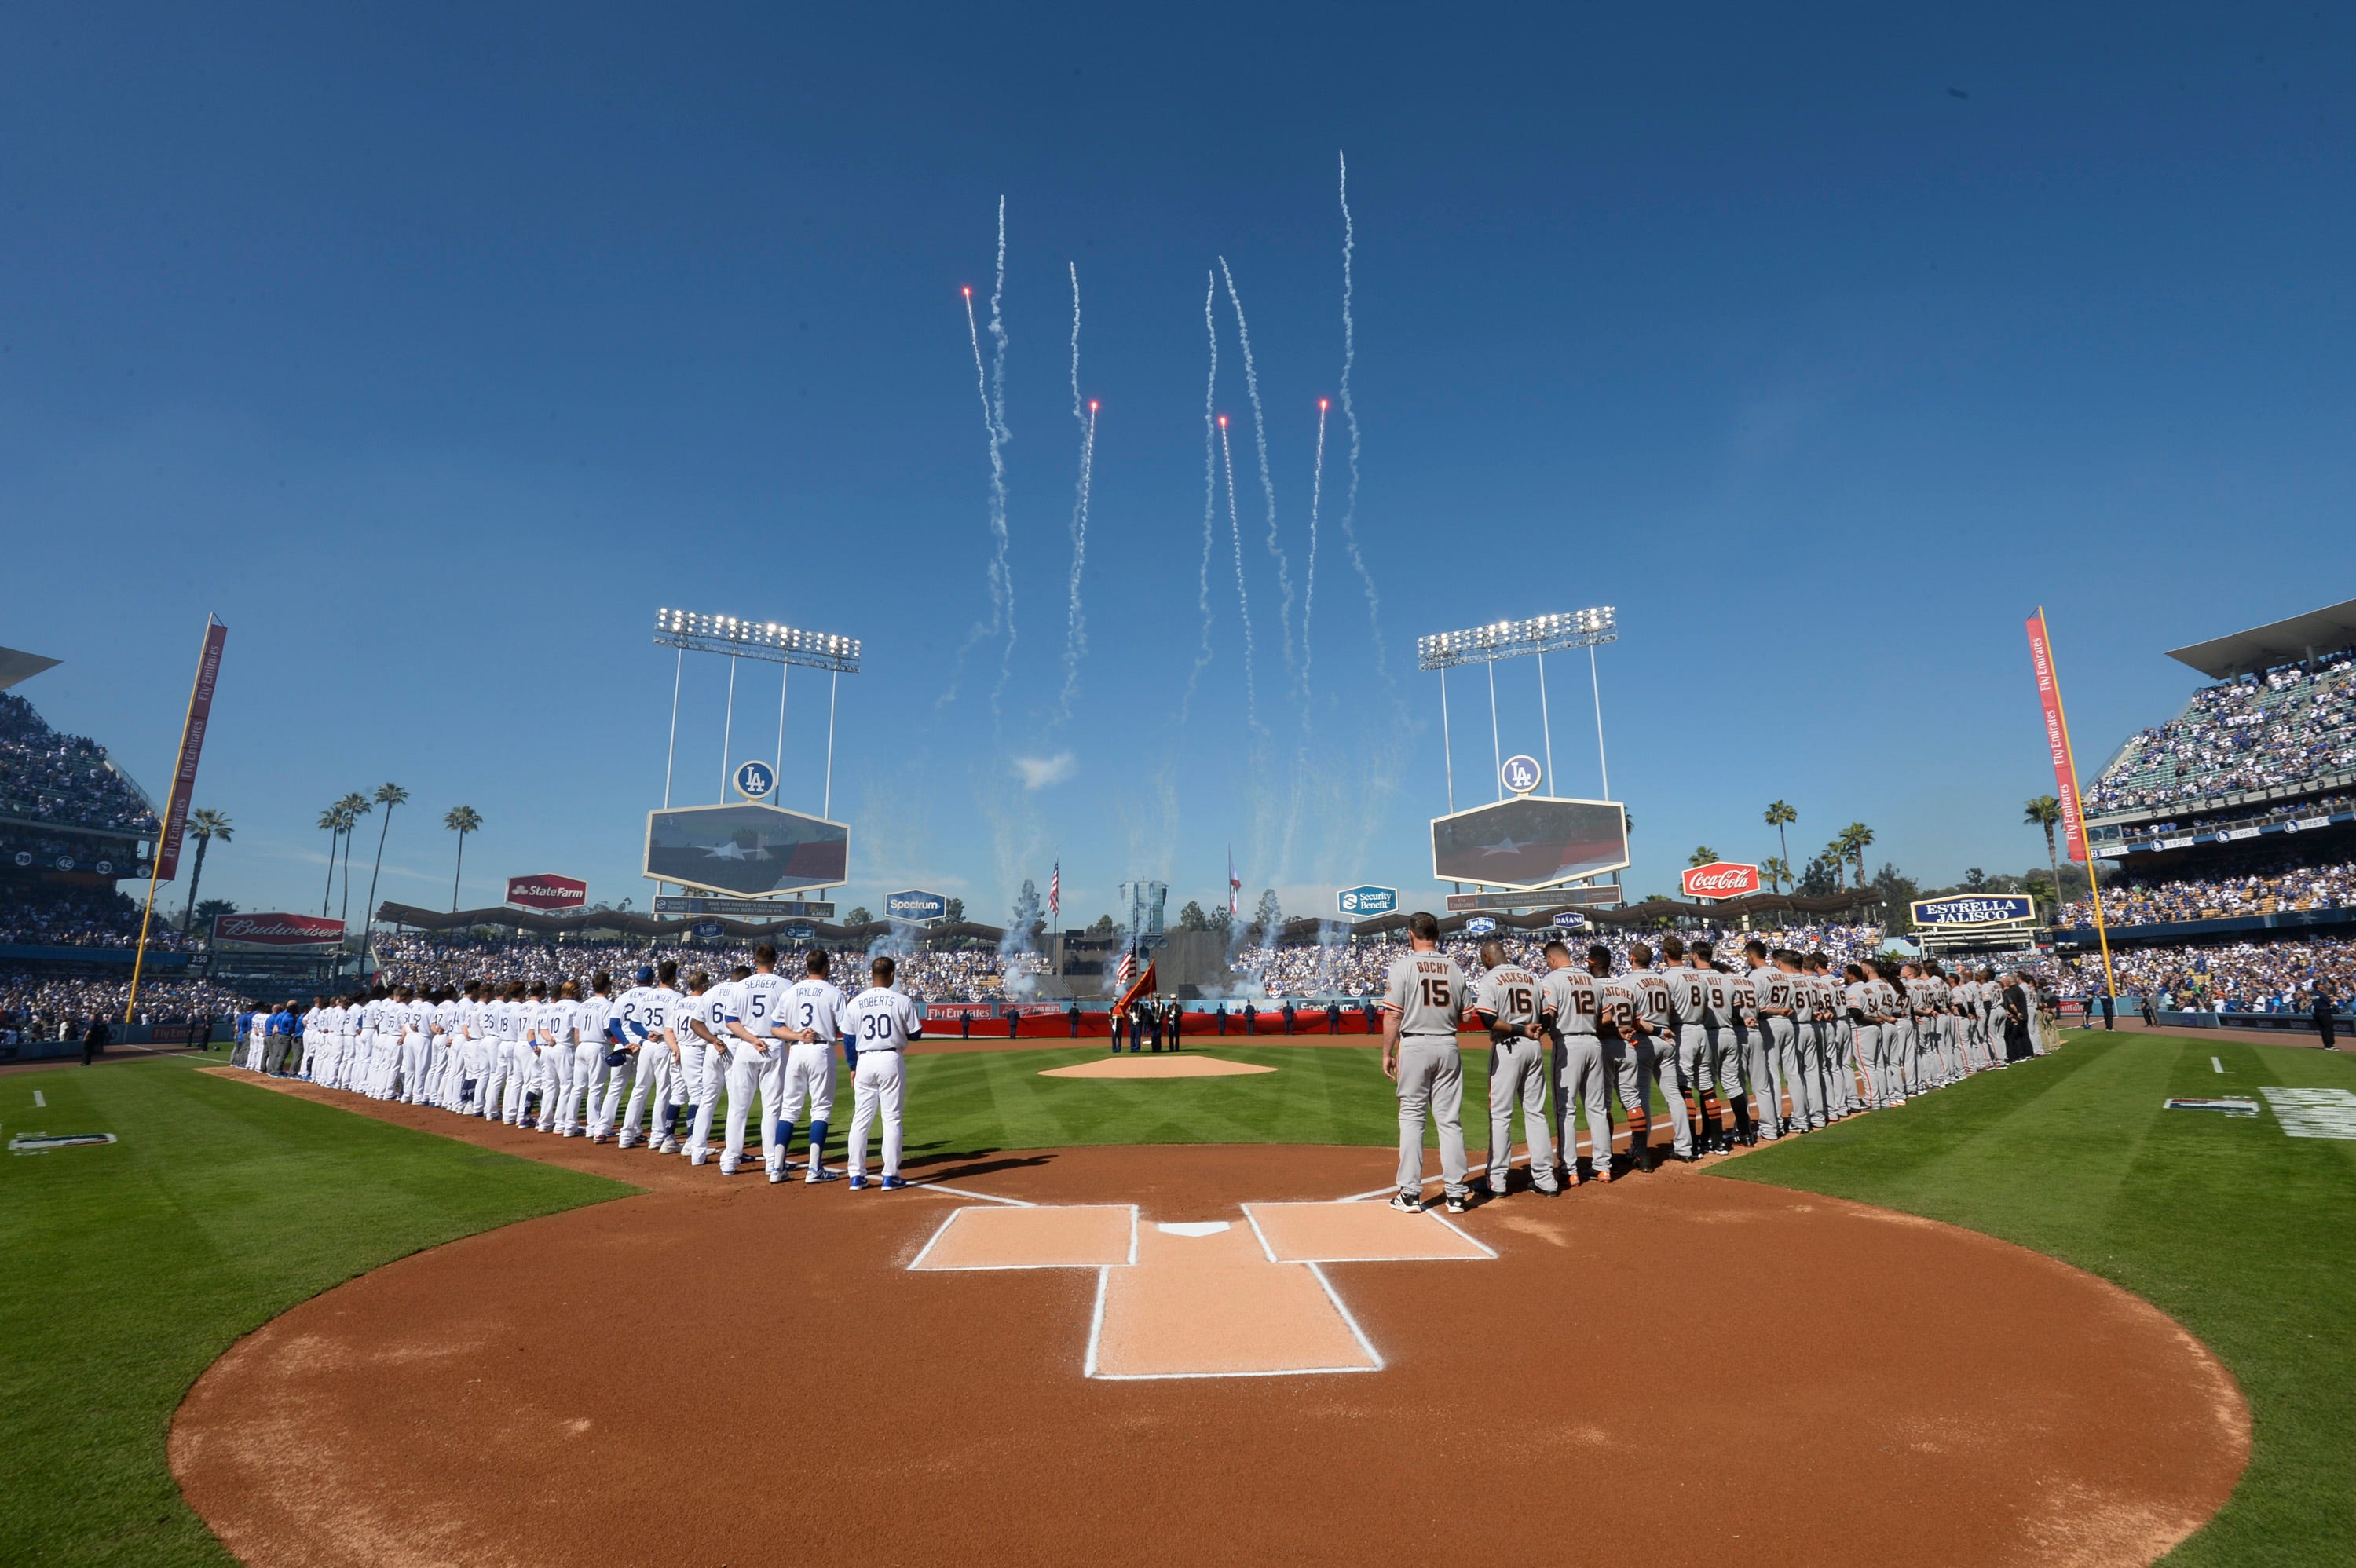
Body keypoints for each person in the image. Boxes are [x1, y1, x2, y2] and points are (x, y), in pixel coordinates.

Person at [1377, 911, 1470, 1214]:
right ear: (1438, 935)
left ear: (1410, 934)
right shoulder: (1454, 967)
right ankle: (1456, 1194)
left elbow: (1392, 1014)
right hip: (1447, 1043)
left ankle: (1410, 1193)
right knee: (1449, 1120)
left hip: (1415, 1043)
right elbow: (1467, 1015)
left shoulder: (1403, 966)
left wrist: (1386, 1053)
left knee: (1412, 1118)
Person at [1472, 940, 1555, 1198]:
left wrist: (1519, 1029)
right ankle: (1545, 1178)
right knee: (1535, 1112)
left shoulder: (1490, 979)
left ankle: (1497, 1180)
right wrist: (1534, 1030)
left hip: (1508, 1047)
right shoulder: (1530, 976)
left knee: (1501, 1115)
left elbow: (1487, 1019)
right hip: (1533, 1046)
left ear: (1487, 957)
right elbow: (1547, 1017)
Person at [843, 953, 924, 1190]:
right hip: (890, 1058)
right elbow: (916, 1034)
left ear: (871, 975)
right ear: (891, 975)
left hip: (865, 1060)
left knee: (860, 1120)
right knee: (892, 1118)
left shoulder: (856, 1001)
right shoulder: (901, 1000)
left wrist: (852, 1067)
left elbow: (848, 1039)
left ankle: (856, 1176)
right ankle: (890, 1175)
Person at [779, 949, 847, 1181]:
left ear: (807, 966)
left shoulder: (791, 992)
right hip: (821, 1049)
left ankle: (778, 1168)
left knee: (789, 1109)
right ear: (826, 967)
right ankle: (814, 1169)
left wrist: (797, 1035)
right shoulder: (833, 992)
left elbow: (775, 1028)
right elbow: (846, 1028)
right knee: (820, 1109)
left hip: (796, 1050)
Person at [2314, 981, 2340, 1051]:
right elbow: (2330, 1003)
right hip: (2324, 1012)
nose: (2323, 985)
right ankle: (2330, 1045)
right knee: (2328, 1028)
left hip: (2317, 1012)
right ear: (2318, 986)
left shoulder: (2314, 994)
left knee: (2323, 1029)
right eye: (2321, 984)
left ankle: (2327, 1045)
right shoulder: (2321, 994)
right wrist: (2335, 1001)